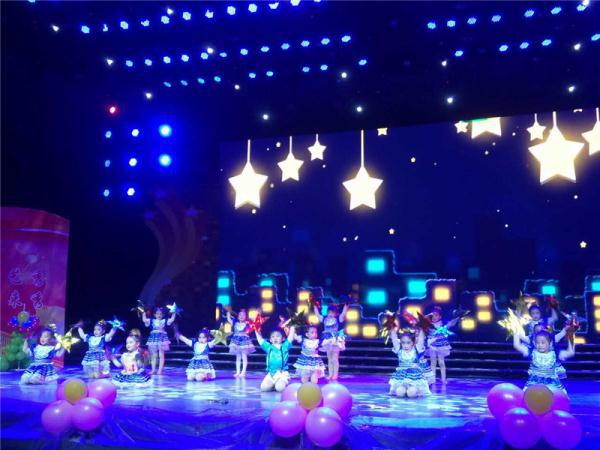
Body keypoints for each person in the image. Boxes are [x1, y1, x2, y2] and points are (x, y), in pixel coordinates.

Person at [513, 329, 574, 394]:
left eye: (543, 343)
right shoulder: (531, 352)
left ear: (550, 343)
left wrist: (571, 335)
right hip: (533, 385)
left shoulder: (555, 354)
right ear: (534, 343)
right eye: (537, 343)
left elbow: (570, 352)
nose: (540, 345)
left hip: (553, 386)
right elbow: (517, 345)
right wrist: (515, 329)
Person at [389, 327, 431, 397]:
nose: (405, 345)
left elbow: (421, 339)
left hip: (414, 378)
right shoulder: (399, 350)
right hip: (401, 377)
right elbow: (394, 338)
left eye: (408, 343)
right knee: (399, 392)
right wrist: (391, 326)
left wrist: (422, 327)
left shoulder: (416, 349)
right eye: (403, 343)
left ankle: (414, 394)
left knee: (411, 393)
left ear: (413, 343)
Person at [255, 326, 296, 392]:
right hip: (271, 374)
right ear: (270, 340)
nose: (275, 338)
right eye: (273, 337)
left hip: (282, 373)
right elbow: (260, 340)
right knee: (264, 388)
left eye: (278, 336)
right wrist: (255, 329)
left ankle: (281, 383)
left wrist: (292, 328)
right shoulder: (268, 347)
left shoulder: (285, 346)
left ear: (283, 338)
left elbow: (290, 337)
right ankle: (273, 384)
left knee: (280, 388)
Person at [314, 303, 348, 381]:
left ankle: (335, 375)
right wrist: (314, 305)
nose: (330, 314)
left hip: (335, 340)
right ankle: (330, 374)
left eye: (332, 312)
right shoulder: (325, 319)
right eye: (329, 312)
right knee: (329, 358)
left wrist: (346, 305)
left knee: (335, 358)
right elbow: (317, 314)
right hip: (327, 341)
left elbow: (343, 313)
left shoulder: (338, 319)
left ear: (335, 313)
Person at [426, 307, 459, 384]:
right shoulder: (429, 324)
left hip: (441, 345)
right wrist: (428, 315)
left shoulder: (443, 324)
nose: (434, 317)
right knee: (433, 363)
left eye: (436, 315)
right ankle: (432, 379)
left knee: (441, 362)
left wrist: (458, 316)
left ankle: (443, 379)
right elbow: (421, 320)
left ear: (440, 316)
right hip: (432, 345)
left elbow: (451, 323)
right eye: (432, 315)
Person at [142, 306, 176, 374]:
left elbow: (172, 319)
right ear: (154, 314)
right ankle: (153, 369)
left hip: (162, 338)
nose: (159, 315)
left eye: (160, 314)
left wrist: (174, 312)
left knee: (161, 354)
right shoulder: (152, 320)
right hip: (153, 338)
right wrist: (144, 312)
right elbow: (144, 320)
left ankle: (160, 370)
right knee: (154, 354)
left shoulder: (164, 321)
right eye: (157, 314)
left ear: (163, 315)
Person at [227, 309, 255, 378]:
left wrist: (252, 318)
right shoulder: (235, 323)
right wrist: (229, 312)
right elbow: (228, 318)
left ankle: (243, 372)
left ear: (246, 316)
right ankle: (238, 372)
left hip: (244, 341)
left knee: (244, 356)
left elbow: (254, 322)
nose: (241, 316)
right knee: (238, 357)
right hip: (236, 341)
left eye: (243, 315)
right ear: (238, 316)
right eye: (240, 315)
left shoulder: (247, 324)